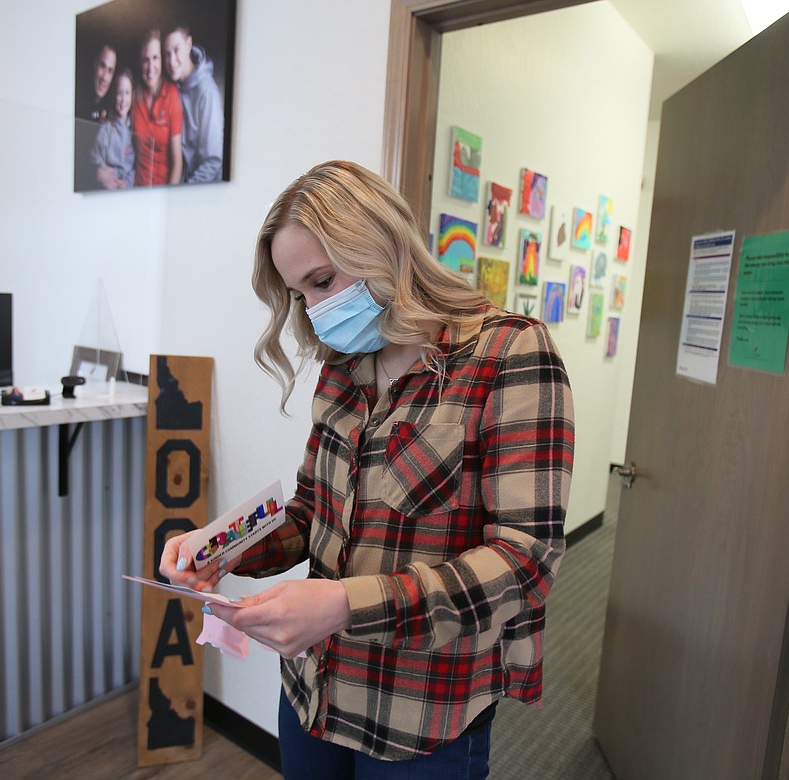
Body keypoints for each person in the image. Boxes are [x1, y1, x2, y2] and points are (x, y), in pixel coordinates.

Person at [159, 161, 575, 779]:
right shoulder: (343, 363)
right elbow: (311, 513)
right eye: (301, 293)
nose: (317, 310)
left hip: (421, 711)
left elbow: (524, 560)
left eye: (324, 280)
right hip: (314, 687)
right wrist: (223, 546)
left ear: (382, 243)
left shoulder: (510, 354)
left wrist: (344, 605)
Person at [163, 25, 225, 183]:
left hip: (199, 194)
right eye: (167, 54)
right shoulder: (169, 87)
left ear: (189, 44)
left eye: (176, 50)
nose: (171, 61)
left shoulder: (207, 91)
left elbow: (213, 161)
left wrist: (181, 195)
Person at [132, 29, 182, 187]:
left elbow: (177, 164)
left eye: (155, 58)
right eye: (146, 60)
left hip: (163, 195)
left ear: (161, 60)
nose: (151, 66)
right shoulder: (135, 98)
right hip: (135, 192)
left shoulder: (172, 95)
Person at [91, 67, 136, 190]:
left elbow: (138, 167)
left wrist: (128, 182)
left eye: (127, 93)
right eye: (119, 93)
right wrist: (107, 179)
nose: (123, 99)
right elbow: (96, 161)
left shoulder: (135, 128)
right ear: (114, 95)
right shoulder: (106, 129)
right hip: (109, 189)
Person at [80, 44, 117, 122]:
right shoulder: (77, 99)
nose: (104, 77)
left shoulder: (114, 111)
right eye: (102, 66)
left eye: (110, 71)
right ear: (95, 64)